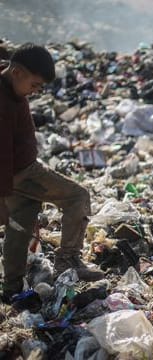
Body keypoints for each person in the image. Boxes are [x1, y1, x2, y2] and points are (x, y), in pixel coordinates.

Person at [0, 43, 104, 302]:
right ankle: (67, 261)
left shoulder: (10, 85)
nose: (35, 92)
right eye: (34, 85)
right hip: (21, 172)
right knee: (77, 196)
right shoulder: (2, 103)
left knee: (20, 227)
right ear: (17, 72)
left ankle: (11, 288)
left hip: (16, 172)